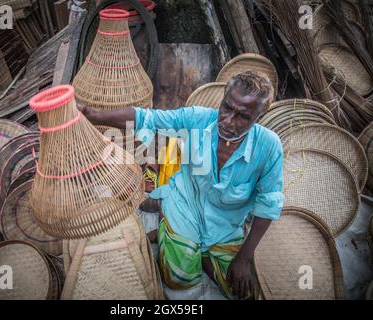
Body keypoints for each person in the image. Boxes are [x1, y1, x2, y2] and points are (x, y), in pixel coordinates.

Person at [77, 71, 284, 299]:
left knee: (241, 291)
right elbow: (147, 119)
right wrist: (91, 114)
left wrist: (244, 258)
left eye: (242, 116)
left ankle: (194, 247)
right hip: (184, 205)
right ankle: (168, 215)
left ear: (258, 117)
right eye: (226, 108)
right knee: (179, 279)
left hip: (224, 227)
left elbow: (268, 204)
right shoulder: (198, 119)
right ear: (222, 99)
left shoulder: (269, 147)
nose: (228, 121)